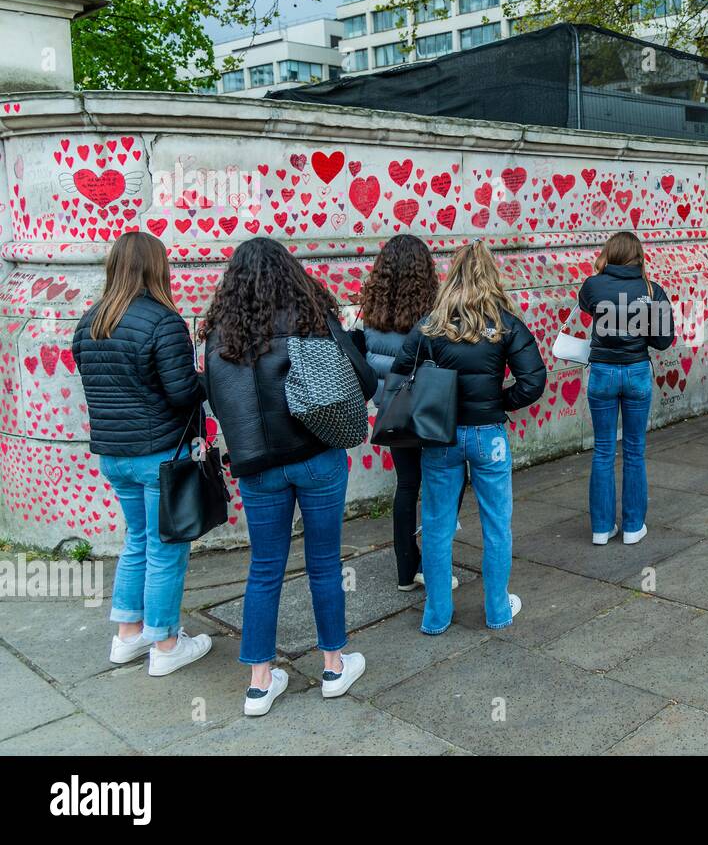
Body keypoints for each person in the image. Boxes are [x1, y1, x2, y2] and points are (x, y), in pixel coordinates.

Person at [201, 237, 378, 717]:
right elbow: (362, 379)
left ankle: (259, 683)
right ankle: (334, 667)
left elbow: (218, 401)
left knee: (264, 568)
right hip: (316, 456)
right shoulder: (311, 320)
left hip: (257, 466)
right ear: (288, 273)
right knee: (324, 563)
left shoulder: (218, 335)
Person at [71, 232, 212, 676]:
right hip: (160, 456)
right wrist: (206, 379)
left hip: (114, 456)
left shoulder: (89, 322)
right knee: (167, 546)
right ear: (157, 268)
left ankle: (128, 637)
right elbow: (182, 393)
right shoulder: (163, 322)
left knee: (137, 540)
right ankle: (167, 643)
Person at [389, 240, 545, 633]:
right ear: (492, 276)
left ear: (452, 275)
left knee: (438, 524)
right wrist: (499, 401)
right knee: (496, 524)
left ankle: (436, 616)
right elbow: (534, 379)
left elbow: (399, 374)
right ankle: (497, 611)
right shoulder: (506, 322)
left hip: (440, 436)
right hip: (488, 435)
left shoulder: (431, 323)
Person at [357, 234, 449, 591]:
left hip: (391, 408)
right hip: (429, 407)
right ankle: (431, 563)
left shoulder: (372, 310)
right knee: (443, 484)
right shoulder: (432, 313)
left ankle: (405, 570)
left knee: (407, 486)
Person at [578, 231, 676, 544]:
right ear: (639, 257)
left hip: (603, 373)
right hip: (636, 373)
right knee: (634, 451)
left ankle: (601, 529)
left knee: (603, 450)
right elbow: (663, 341)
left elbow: (586, 306)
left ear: (609, 253)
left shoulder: (594, 284)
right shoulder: (651, 289)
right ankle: (633, 527)